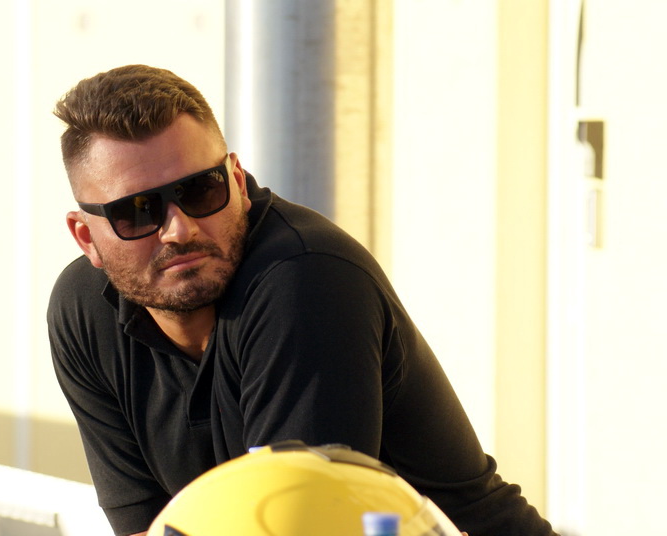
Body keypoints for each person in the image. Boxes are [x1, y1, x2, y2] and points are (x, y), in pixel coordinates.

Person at [48, 64, 557, 536]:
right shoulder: (84, 311)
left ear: (237, 181)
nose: (179, 229)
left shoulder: (305, 282)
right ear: (86, 237)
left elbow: (305, 526)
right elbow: (147, 527)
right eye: (137, 212)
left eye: (201, 190)